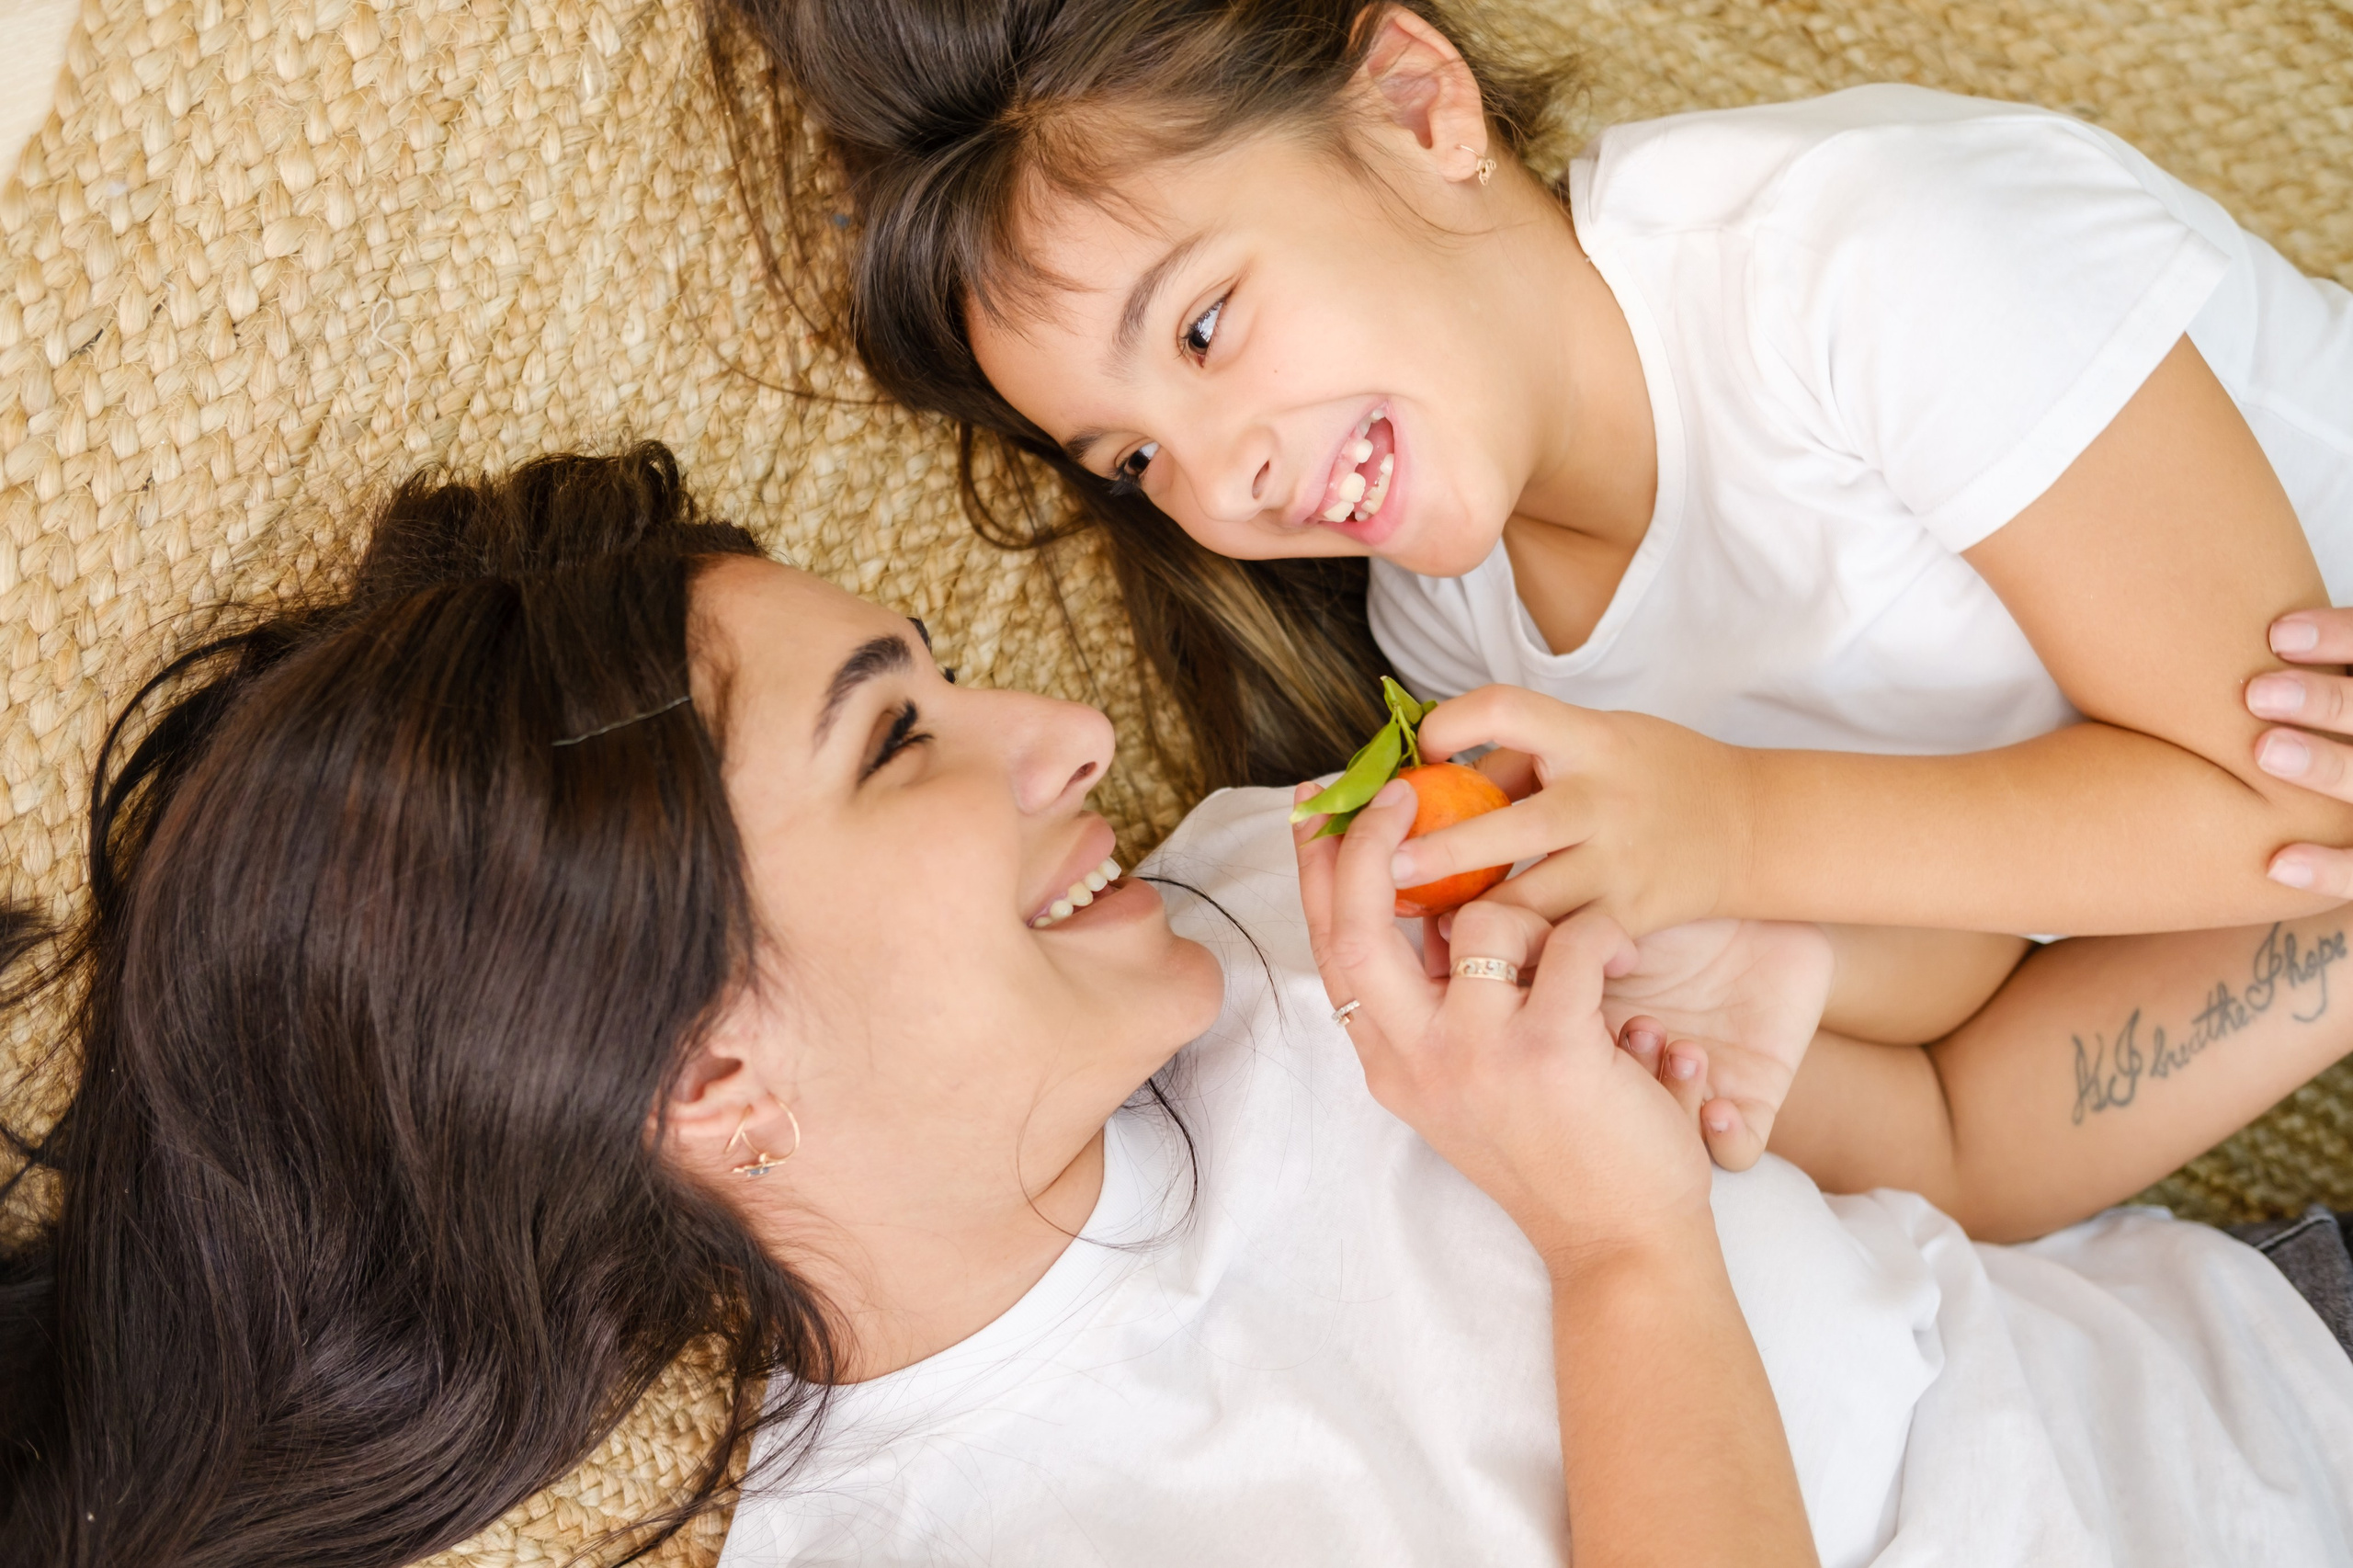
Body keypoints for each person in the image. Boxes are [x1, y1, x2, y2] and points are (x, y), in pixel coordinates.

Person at [6, 446, 2353, 1568]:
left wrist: (1754, 880)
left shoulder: (1266, 906)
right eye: (899, 739)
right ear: (706, 1075)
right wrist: (1623, 1251)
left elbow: (1945, 1136)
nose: (1062, 736)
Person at [711, 0, 2353, 971]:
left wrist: (1731, 832)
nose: (1222, 484)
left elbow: (2298, 809)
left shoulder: (1865, 268)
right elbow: (1950, 963)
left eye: (1206, 325)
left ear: (1419, 108)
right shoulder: (1451, 626)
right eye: (1135, 461)